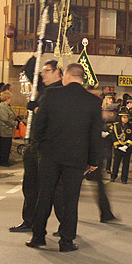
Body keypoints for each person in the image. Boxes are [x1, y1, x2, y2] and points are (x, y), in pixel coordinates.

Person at [27, 63, 103, 252]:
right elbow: (95, 135)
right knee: (70, 199)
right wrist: (94, 161)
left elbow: (39, 127)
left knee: (44, 195)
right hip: (76, 158)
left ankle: (38, 237)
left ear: (67, 76)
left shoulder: (51, 95)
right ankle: (66, 241)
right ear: (81, 78)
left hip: (50, 155)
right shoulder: (92, 102)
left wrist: (41, 145)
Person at [9, 60, 63, 233]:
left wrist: (38, 109)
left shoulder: (60, 90)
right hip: (34, 143)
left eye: (47, 71)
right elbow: (30, 69)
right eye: (43, 70)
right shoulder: (44, 86)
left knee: (53, 190)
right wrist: (39, 44)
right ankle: (29, 220)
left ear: (58, 72)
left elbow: (54, 117)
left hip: (50, 147)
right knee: (30, 185)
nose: (43, 74)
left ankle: (65, 227)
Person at [110, 110, 132, 183]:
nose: (125, 119)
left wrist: (126, 146)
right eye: (124, 117)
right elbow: (113, 136)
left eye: (127, 117)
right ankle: (113, 176)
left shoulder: (131, 126)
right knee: (116, 163)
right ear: (120, 118)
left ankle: (124, 178)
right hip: (118, 148)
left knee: (126, 164)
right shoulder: (115, 126)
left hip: (127, 148)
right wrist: (118, 146)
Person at [0, 91, 16, 167]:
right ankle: (3, 161)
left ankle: (6, 160)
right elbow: (5, 119)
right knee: (4, 147)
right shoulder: (2, 107)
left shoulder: (7, 106)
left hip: (9, 130)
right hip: (4, 130)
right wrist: (14, 123)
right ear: (7, 98)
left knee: (7, 146)